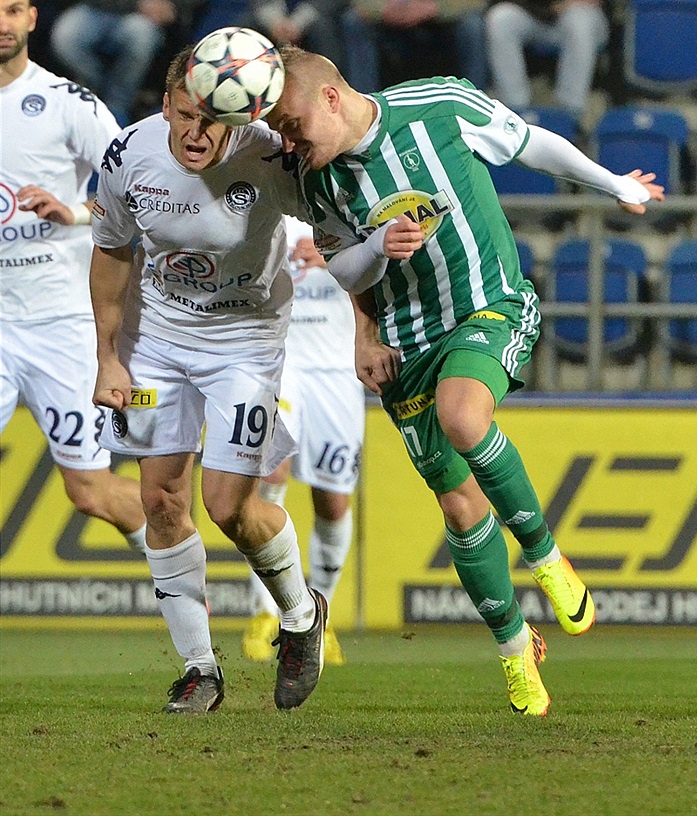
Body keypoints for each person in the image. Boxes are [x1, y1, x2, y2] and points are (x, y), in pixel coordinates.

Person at [264, 45, 665, 716]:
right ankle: (516, 649)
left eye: (292, 124)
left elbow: (530, 142)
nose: (288, 141)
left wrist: (613, 184)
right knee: (458, 507)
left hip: (489, 304)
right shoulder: (314, 180)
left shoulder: (439, 105)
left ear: (330, 98)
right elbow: (343, 270)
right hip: (406, 343)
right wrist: (372, 279)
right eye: (278, 130)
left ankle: (545, 556)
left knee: (463, 415)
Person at [89, 46, 327, 715]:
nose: (197, 134)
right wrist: (107, 358)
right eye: (185, 116)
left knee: (228, 507)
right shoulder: (128, 155)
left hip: (245, 343)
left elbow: (336, 214)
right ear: (167, 105)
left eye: (212, 120)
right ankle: (200, 670)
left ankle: (301, 615)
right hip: (156, 342)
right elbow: (110, 254)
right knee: (161, 501)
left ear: (237, 115)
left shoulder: (267, 154)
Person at [0, 0, 147, 557]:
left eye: (12, 10)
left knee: (89, 490)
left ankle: (188, 581)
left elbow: (135, 191)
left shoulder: (68, 105)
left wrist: (75, 212)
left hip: (59, 323)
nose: (3, 23)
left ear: (33, 18)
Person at [243, 216, 365, 666]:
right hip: (281, 359)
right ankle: (266, 611)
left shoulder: (349, 206)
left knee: (332, 501)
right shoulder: (266, 202)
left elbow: (389, 263)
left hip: (338, 369)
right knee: (270, 472)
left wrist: (338, 258)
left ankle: (321, 616)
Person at [50, 0, 218, 126]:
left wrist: (174, 5)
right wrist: (136, 2)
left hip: (152, 14)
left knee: (141, 36)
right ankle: (97, 89)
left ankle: (118, 105)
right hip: (101, 7)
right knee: (66, 35)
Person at [484, 0, 610, 126]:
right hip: (531, 12)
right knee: (500, 18)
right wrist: (549, 5)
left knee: (579, 20)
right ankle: (515, 112)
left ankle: (570, 115)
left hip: (579, 14)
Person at [343, 0, 489, 93]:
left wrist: (434, 7)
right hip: (396, 29)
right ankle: (364, 99)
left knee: (473, 25)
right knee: (355, 21)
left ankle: (475, 97)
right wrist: (385, 8)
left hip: (446, 29)